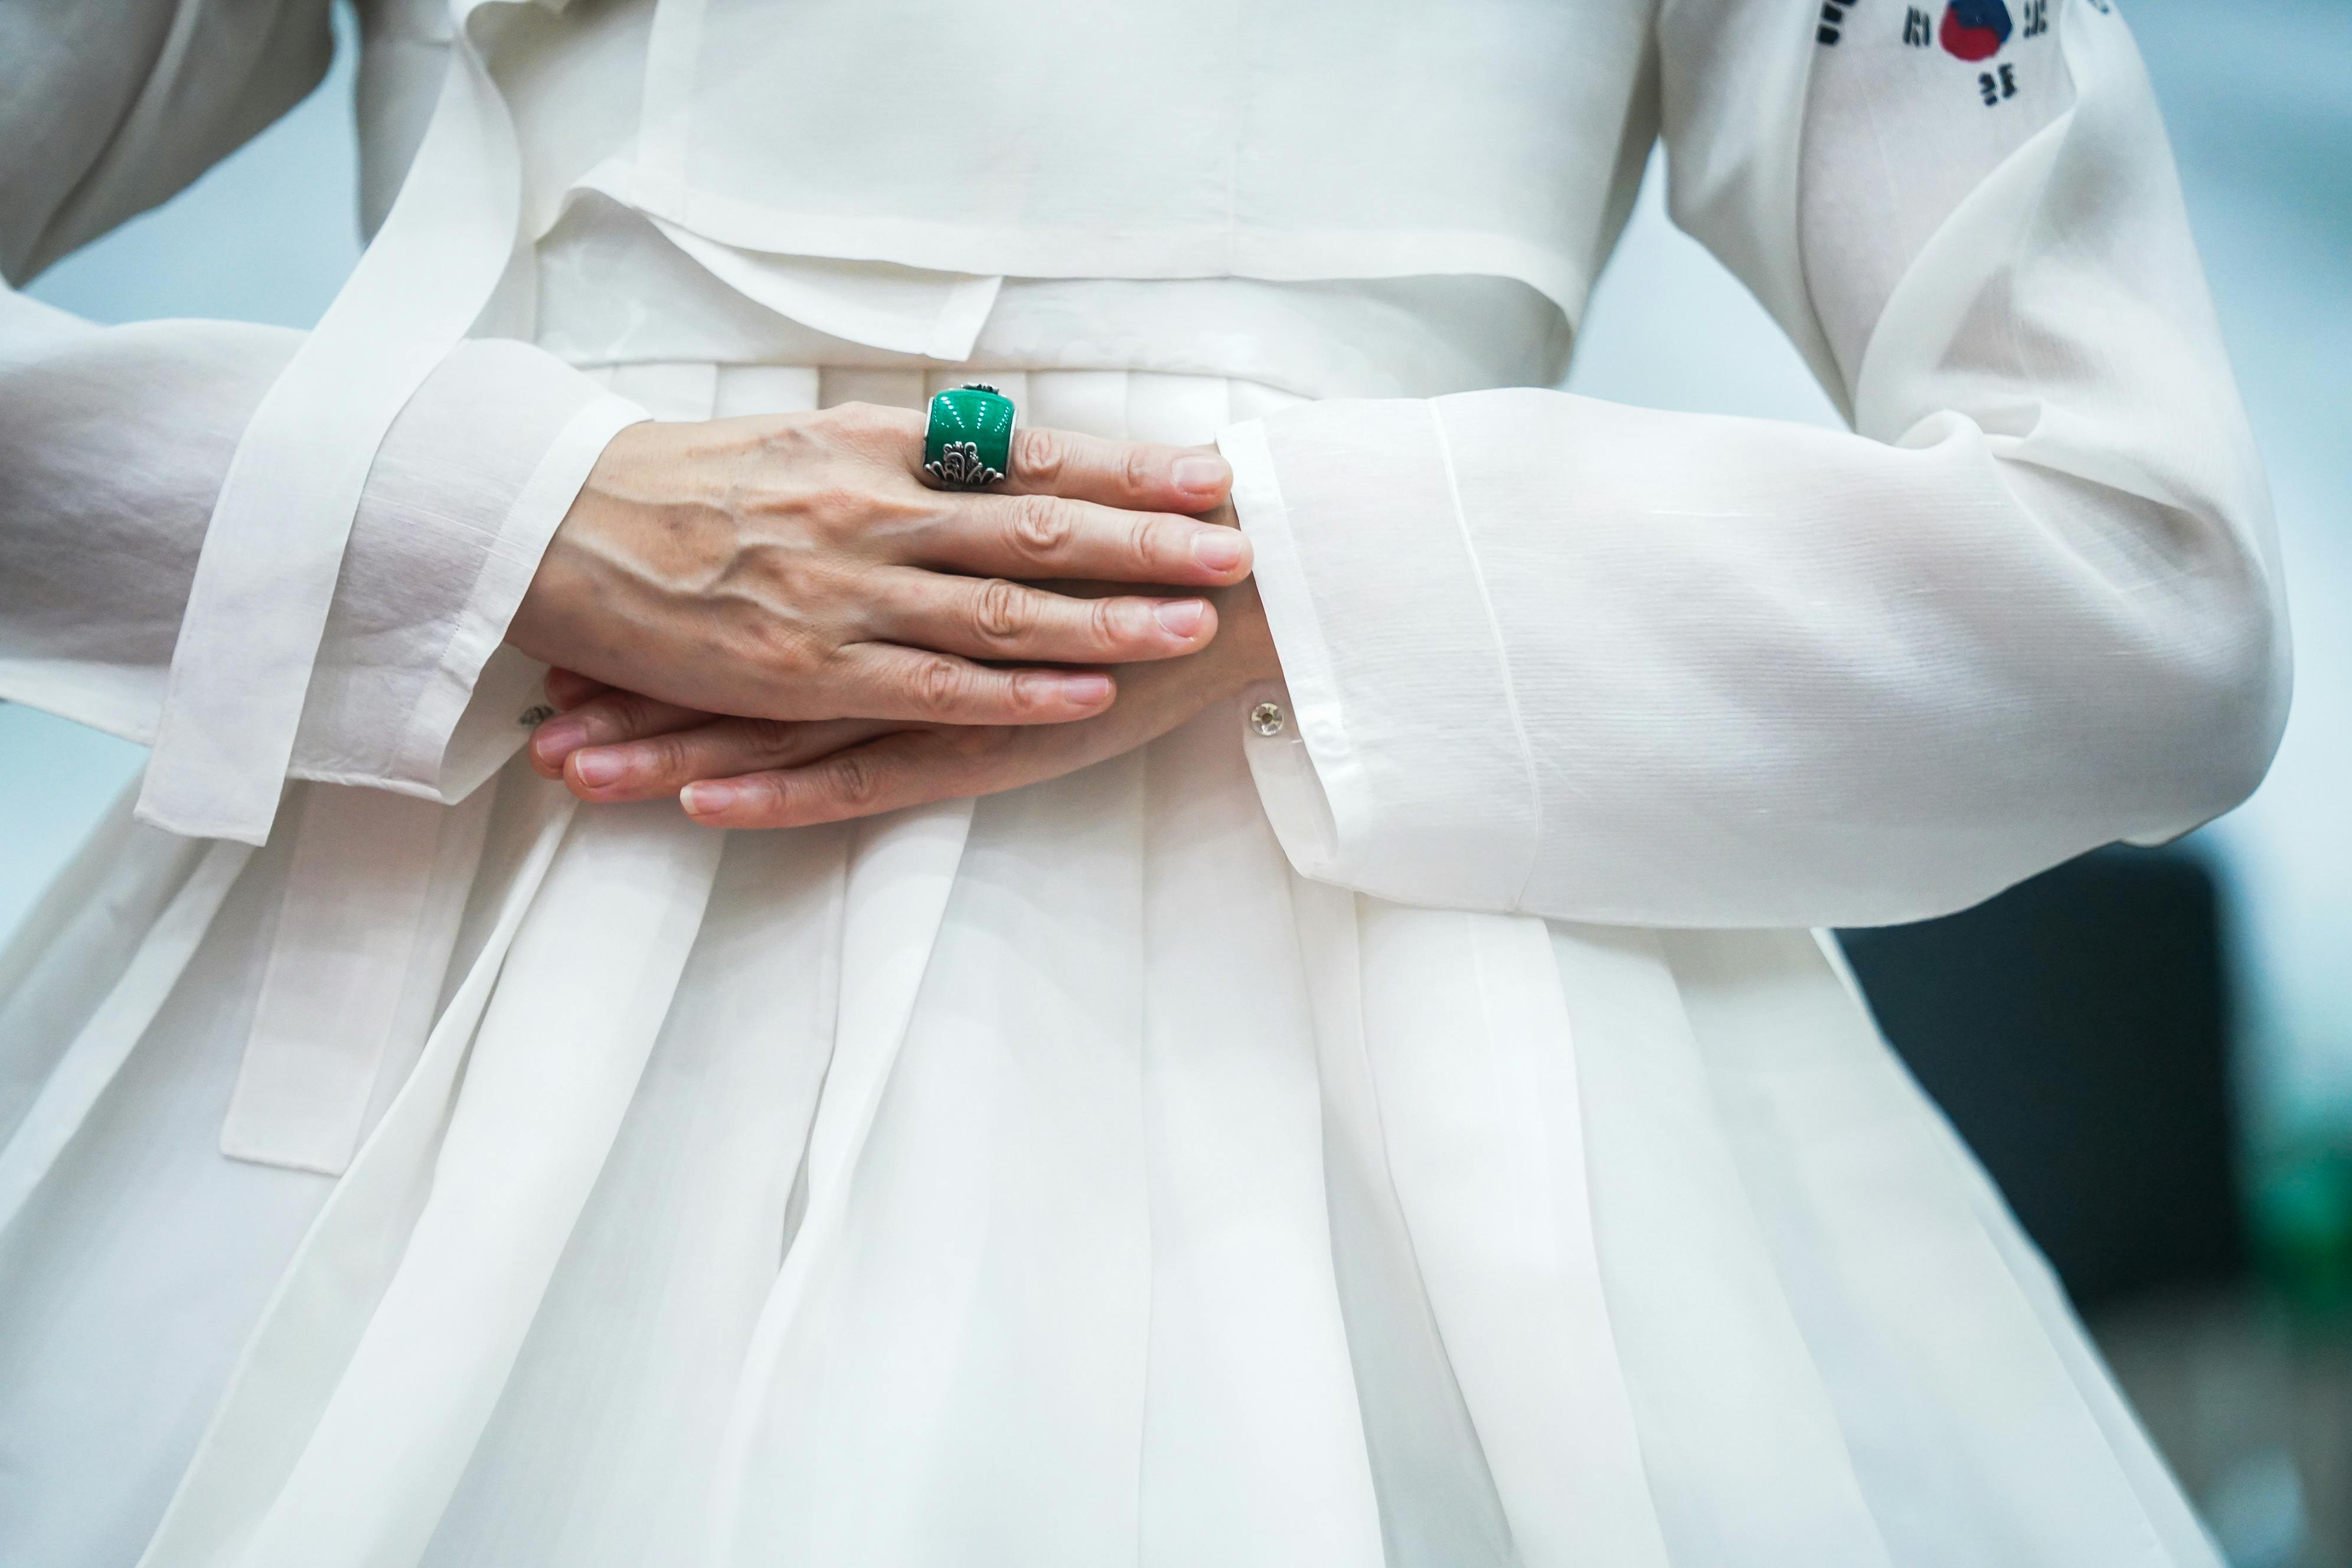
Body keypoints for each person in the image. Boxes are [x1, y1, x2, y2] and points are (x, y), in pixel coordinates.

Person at [0, 0, 2288, 1562]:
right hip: (432, 1075)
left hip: (1412, 1096)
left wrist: (1282, 583)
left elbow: (2142, 581)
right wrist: (509, 520)